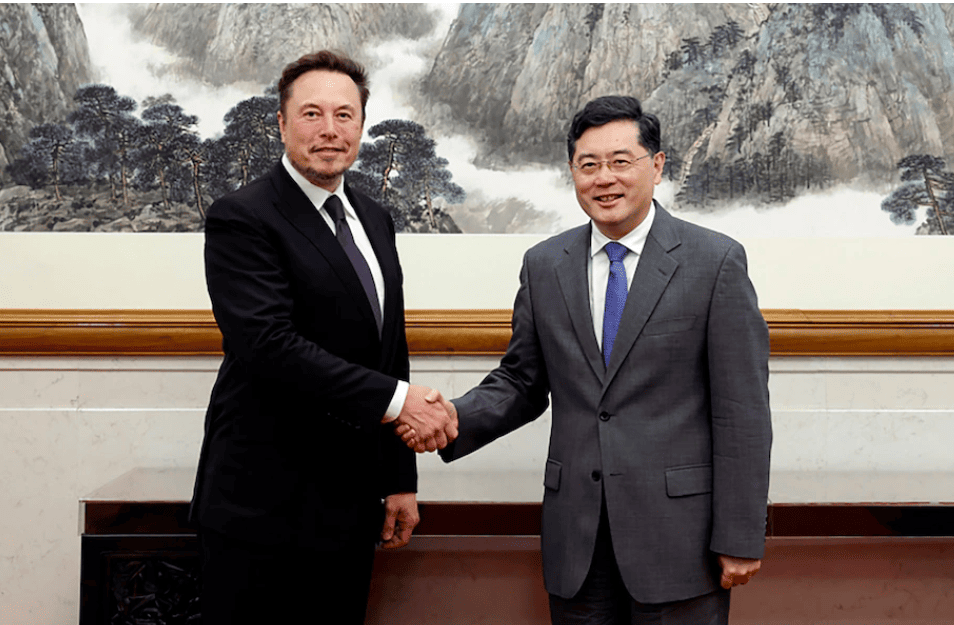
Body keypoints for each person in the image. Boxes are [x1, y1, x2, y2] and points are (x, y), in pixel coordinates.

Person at [407, 95, 772, 624]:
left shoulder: (714, 262)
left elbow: (742, 412)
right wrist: (452, 418)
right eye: (589, 164)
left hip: (680, 541)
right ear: (573, 172)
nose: (605, 179)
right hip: (576, 538)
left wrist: (740, 535)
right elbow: (522, 381)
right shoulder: (544, 265)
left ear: (657, 166)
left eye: (621, 161)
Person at [190, 50, 456, 625]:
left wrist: (399, 480)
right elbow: (268, 345)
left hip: (350, 506)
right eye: (312, 114)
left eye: (344, 115)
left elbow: (390, 350)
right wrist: (400, 402)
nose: (329, 130)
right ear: (282, 123)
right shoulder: (242, 216)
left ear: (361, 126)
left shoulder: (374, 218)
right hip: (260, 507)